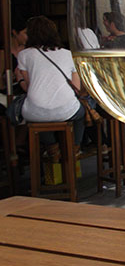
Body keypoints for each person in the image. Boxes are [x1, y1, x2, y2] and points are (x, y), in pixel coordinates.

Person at [16, 16, 85, 160]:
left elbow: (28, 88)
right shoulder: (68, 54)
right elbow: (76, 88)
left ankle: (52, 148)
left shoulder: (24, 55)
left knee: (39, 115)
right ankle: (74, 149)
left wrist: (20, 78)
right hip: (67, 109)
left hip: (35, 111)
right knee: (80, 113)